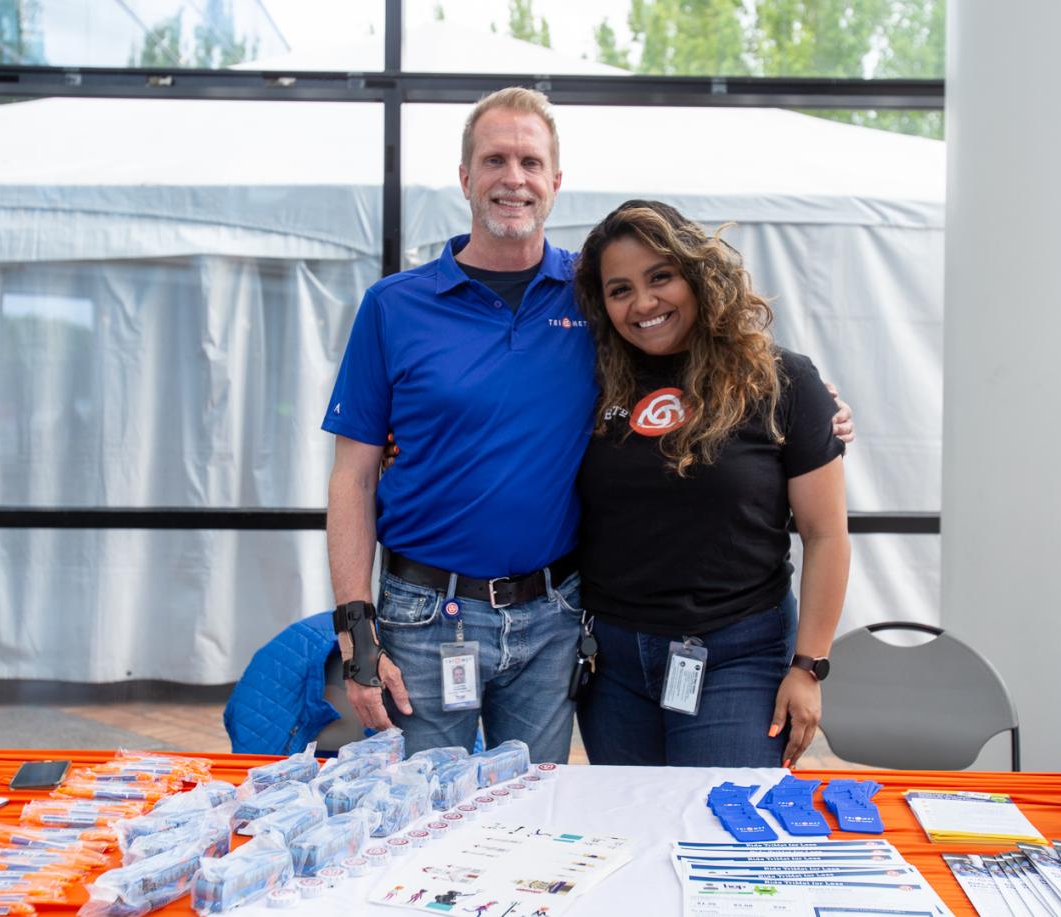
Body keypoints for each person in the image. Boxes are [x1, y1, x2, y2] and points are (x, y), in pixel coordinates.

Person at [321, 88, 853, 762]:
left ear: (555, 182)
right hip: (426, 614)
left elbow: (710, 356)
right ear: (464, 178)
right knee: (426, 816)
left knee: (533, 816)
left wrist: (816, 405)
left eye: (530, 162)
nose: (513, 178)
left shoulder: (596, 293)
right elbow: (354, 473)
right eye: (494, 160)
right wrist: (355, 627)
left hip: (554, 616)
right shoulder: (393, 306)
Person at [570, 200, 850, 768]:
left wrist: (808, 667)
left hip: (738, 657)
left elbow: (826, 536)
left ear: (698, 276)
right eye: (620, 289)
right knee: (630, 834)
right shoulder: (586, 384)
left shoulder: (781, 380)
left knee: (719, 837)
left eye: (660, 278)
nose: (643, 303)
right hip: (613, 663)